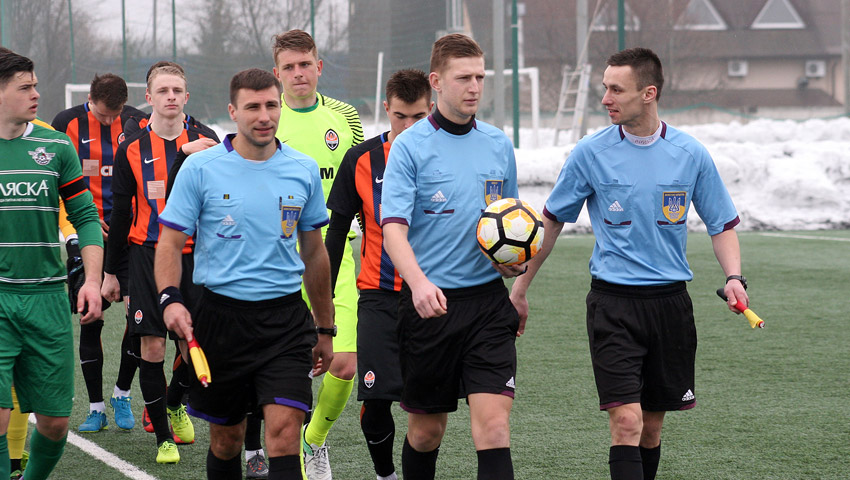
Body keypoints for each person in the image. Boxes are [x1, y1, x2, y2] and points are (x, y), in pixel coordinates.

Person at [510, 47, 748, 480]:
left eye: (616, 89)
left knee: (650, 430)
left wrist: (734, 277)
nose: (606, 98)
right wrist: (520, 288)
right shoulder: (590, 152)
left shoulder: (690, 153)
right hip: (613, 305)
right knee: (626, 422)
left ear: (648, 93)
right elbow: (552, 221)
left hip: (670, 306)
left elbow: (722, 224)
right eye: (605, 88)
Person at [155, 67, 335, 480]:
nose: (264, 116)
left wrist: (325, 328)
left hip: (285, 321)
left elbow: (314, 252)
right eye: (253, 107)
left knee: (284, 432)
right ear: (233, 112)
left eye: (272, 105)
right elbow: (169, 243)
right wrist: (170, 299)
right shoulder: (201, 168)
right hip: (221, 320)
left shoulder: (303, 169)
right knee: (227, 440)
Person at [380, 34, 525, 480]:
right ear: (437, 81)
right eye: (464, 78)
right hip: (431, 307)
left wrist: (513, 263)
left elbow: (511, 222)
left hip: (487, 305)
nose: (475, 87)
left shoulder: (498, 144)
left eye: (480, 77)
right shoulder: (409, 146)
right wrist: (419, 283)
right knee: (427, 432)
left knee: (494, 427)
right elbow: (393, 230)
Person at [103, 62, 218, 464]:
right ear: (148, 97)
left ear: (187, 96)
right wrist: (111, 272)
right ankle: (164, 441)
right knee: (151, 346)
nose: (171, 97)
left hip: (195, 256)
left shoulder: (206, 140)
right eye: (163, 90)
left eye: (177, 90)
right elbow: (120, 214)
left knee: (194, 343)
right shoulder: (131, 148)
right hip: (146, 255)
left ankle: (173, 403)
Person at [0, 49, 103, 480]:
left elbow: (86, 217)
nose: (36, 94)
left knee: (56, 423)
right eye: (25, 87)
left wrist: (92, 281)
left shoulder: (56, 145)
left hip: (47, 299)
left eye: (36, 85)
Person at [325, 69, 432, 480]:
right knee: (376, 401)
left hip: (433, 296)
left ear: (431, 109)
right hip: (379, 297)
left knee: (428, 408)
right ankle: (385, 475)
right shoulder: (361, 159)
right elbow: (337, 232)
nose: (408, 126)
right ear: (386, 109)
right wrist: (324, 300)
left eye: (418, 117)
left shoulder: (445, 156)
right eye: (400, 116)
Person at [272, 28, 364, 480]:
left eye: (305, 64)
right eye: (288, 67)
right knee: (288, 369)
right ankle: (277, 450)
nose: (298, 73)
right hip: (280, 262)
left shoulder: (345, 118)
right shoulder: (269, 118)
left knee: (344, 365)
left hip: (337, 256)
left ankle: (315, 440)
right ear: (277, 73)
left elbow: (362, 180)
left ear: (319, 66)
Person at [51, 73, 148, 434]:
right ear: (90, 99)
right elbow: (57, 183)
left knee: (137, 320)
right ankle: (95, 408)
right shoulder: (66, 123)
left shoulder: (137, 121)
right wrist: (78, 228)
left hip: (131, 236)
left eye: (115, 114)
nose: (110, 121)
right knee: (90, 316)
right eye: (104, 114)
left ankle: (122, 393)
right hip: (87, 234)